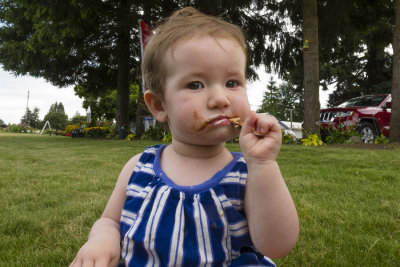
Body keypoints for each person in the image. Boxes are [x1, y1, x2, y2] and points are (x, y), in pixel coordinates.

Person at [70, 7, 299, 267]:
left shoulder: (247, 175)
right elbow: (110, 220)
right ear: (159, 106)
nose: (220, 99)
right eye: (195, 85)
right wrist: (101, 239)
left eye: (232, 83)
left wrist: (263, 165)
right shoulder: (138, 168)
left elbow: (278, 245)